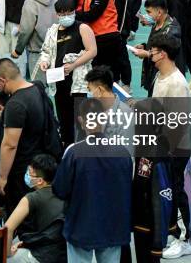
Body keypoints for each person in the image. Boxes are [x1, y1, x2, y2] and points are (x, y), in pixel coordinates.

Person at [53, 98, 132, 263]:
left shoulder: (73, 152)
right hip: (113, 226)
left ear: (81, 120)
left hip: (80, 226)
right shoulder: (123, 152)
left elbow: (60, 189)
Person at [147, 35, 191, 259]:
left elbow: (177, 123)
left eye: (153, 51)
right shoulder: (160, 75)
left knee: (175, 190)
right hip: (161, 145)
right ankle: (171, 232)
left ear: (163, 53)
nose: (150, 55)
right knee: (165, 191)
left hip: (175, 148)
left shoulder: (176, 83)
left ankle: (184, 238)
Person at [0, 58, 49, 213]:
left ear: (2, 80)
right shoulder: (37, 89)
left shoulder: (15, 104)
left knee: (20, 216)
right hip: (40, 165)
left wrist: (2, 177)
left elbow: (10, 144)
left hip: (22, 172)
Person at [38, 0, 95, 147]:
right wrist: (44, 62)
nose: (67, 16)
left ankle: (82, 147)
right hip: (58, 81)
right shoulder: (53, 31)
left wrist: (74, 65)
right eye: (63, 14)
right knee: (64, 118)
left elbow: (92, 51)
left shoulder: (82, 28)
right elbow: (46, 51)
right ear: (57, 15)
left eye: (70, 13)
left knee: (79, 119)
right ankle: (67, 146)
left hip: (78, 83)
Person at [74, 0, 128, 85]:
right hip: (96, 37)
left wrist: (74, 14)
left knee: (109, 77)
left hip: (107, 38)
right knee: (98, 77)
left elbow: (92, 14)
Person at [6, 154, 66, 263]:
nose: (27, 175)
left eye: (29, 173)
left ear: (39, 181)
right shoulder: (64, 192)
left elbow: (8, 229)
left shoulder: (31, 198)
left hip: (44, 256)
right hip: (65, 253)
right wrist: (28, 243)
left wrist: (7, 253)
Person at [12, 0, 57, 80]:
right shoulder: (55, 0)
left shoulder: (30, 3)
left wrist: (18, 50)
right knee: (55, 89)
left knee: (39, 90)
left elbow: (26, 30)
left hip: (38, 53)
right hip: (56, 51)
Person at [131, 0, 182, 96]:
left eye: (149, 12)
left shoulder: (171, 30)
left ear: (159, 12)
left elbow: (166, 54)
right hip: (155, 71)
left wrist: (147, 54)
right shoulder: (158, 23)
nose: (147, 15)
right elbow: (157, 45)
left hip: (165, 75)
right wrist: (145, 47)